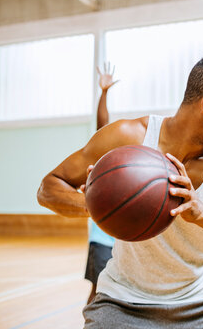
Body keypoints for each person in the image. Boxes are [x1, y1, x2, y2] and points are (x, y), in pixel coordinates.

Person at [37, 51, 203, 329]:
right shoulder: (129, 137)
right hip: (122, 301)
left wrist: (202, 213)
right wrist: (96, 204)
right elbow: (48, 187)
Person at [84, 63, 119, 304]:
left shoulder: (137, 169)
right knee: (98, 293)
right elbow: (102, 127)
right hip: (102, 239)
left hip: (124, 241)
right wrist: (104, 93)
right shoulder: (105, 159)